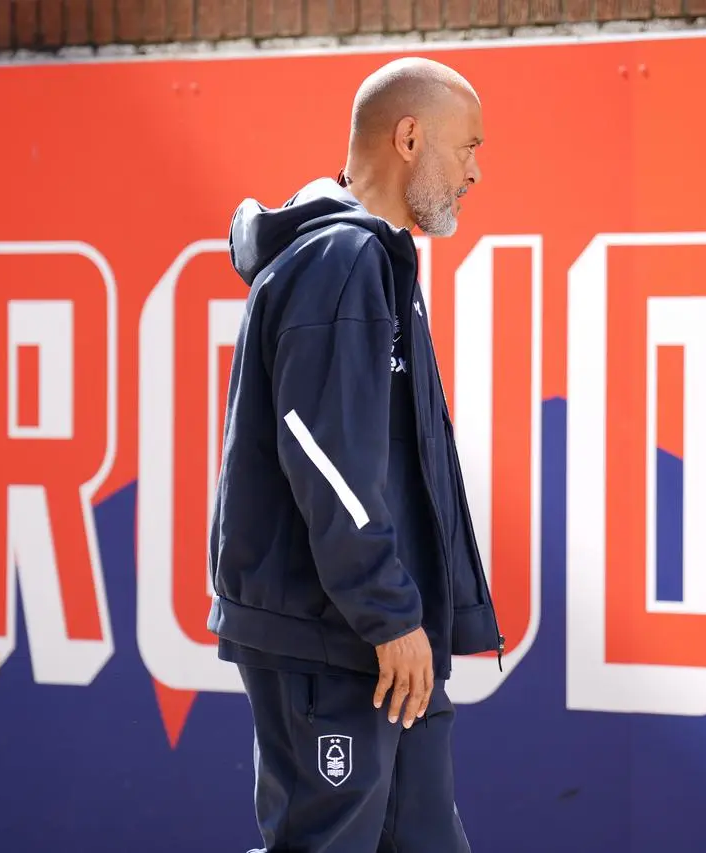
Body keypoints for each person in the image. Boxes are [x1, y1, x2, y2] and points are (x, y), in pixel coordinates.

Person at [207, 56, 502, 853]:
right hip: (339, 638)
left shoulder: (375, 261)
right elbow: (325, 453)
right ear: (409, 137)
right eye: (467, 147)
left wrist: (425, 619)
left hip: (384, 639)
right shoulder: (341, 260)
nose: (476, 172)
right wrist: (388, 614)